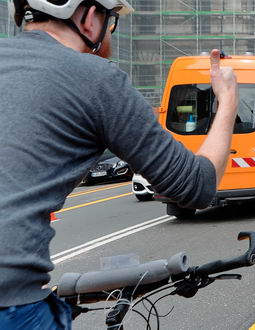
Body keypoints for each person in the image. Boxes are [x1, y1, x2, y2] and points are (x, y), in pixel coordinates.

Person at [0, 0, 238, 328]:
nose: (110, 34)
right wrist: (227, 101)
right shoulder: (95, 79)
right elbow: (196, 185)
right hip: (11, 306)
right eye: (111, 21)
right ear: (87, 17)